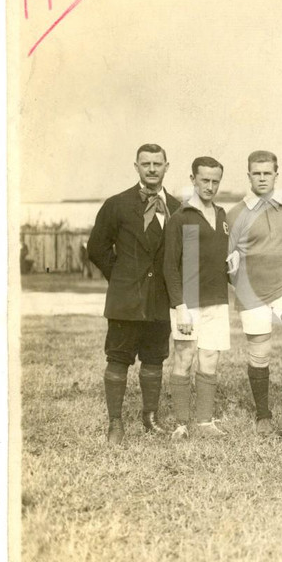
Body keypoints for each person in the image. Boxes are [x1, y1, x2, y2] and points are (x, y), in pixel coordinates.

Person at [87, 143, 181, 444]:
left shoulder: (178, 208)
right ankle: (115, 424)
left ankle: (150, 417)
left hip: (159, 300)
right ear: (136, 166)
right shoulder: (117, 204)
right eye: (146, 164)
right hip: (125, 299)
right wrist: (121, 277)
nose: (152, 169)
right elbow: (96, 248)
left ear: (167, 166)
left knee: (154, 358)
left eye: (157, 163)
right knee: (118, 358)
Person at [226, 151, 282, 436]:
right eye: (257, 173)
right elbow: (228, 261)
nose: (262, 177)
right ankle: (263, 414)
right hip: (252, 292)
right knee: (259, 351)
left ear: (276, 175)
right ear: (249, 175)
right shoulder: (236, 213)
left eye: (267, 173)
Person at [162, 156, 230, 440]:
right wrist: (180, 308)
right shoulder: (181, 217)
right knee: (185, 356)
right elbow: (170, 266)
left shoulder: (223, 215)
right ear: (193, 179)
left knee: (210, 358)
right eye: (205, 180)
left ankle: (205, 422)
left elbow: (220, 257)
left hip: (218, 300)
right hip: (188, 304)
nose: (210, 186)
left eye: (215, 181)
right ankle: (180, 423)